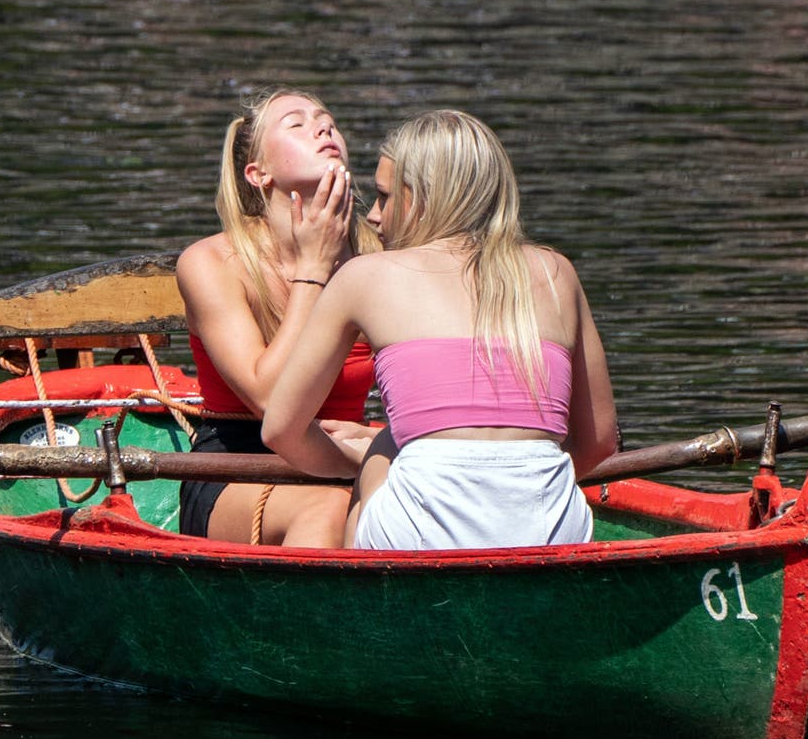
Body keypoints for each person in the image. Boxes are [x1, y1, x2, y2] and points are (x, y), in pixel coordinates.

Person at [262, 109, 620, 550]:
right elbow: (600, 439)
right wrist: (505, 500)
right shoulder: (556, 272)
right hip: (554, 529)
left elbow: (280, 429)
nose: (373, 216)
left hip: (419, 535)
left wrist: (357, 459)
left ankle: (367, 601)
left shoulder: (365, 275)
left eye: (384, 196)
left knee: (388, 444)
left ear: (425, 200)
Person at [177, 88, 380, 547]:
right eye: (297, 123)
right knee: (329, 512)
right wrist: (314, 270)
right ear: (258, 173)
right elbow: (271, 399)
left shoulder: (380, 259)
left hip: (341, 456)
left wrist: (385, 446)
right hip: (237, 469)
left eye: (327, 120)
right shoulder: (212, 262)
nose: (323, 128)